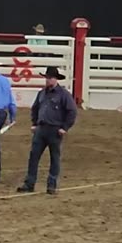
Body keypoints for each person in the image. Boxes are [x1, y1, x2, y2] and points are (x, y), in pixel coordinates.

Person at [18, 66, 77, 195]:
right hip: (42, 128)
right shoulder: (42, 93)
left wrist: (64, 127)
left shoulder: (63, 94)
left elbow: (72, 112)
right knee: (34, 157)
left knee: (54, 158)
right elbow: (35, 109)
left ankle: (51, 185)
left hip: (55, 130)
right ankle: (30, 183)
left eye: (50, 78)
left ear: (55, 79)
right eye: (46, 78)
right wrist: (34, 123)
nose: (47, 80)